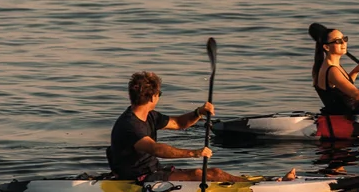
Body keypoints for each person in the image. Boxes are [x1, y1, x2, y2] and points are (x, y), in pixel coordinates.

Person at [109, 71, 294, 182]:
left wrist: (198, 112)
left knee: (212, 173)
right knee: (211, 173)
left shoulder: (150, 116)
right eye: (159, 94)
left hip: (155, 172)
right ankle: (272, 184)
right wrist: (194, 153)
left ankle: (269, 181)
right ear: (152, 97)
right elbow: (156, 149)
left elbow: (180, 123)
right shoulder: (129, 126)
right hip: (139, 179)